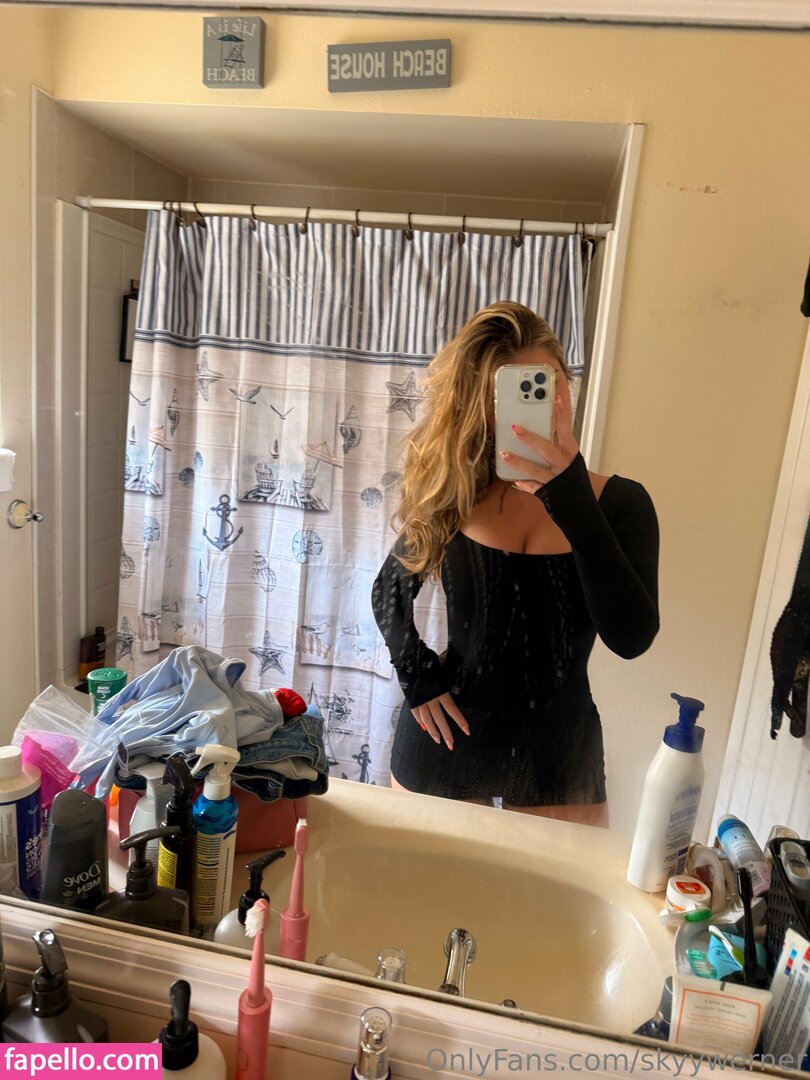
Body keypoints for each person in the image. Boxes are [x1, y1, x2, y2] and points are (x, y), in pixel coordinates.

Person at [371, 301, 659, 827]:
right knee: (424, 883)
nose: (534, 405)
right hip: (445, 740)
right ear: (484, 405)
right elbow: (387, 592)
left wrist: (571, 496)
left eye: (544, 384)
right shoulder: (457, 490)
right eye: (508, 391)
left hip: (561, 753)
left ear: (566, 385)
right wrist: (416, 674)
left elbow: (632, 637)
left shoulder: (621, 504)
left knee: (559, 887)